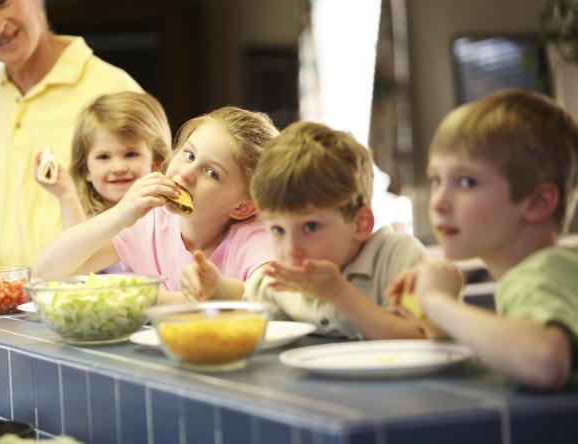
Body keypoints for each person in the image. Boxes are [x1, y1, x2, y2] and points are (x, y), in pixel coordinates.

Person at [387, 89, 578, 390]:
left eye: (466, 182)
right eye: (437, 179)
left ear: (537, 202)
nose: (438, 202)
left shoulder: (539, 273)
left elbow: (544, 362)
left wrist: (436, 302)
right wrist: (439, 324)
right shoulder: (553, 270)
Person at [0, 0, 142, 266]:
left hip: (92, 298)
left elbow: (153, 210)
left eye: (2, 3)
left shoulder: (113, 88)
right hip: (7, 301)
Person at [183, 121, 427, 339]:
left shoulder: (399, 257)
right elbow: (248, 294)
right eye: (278, 230)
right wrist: (216, 287)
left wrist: (340, 294)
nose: (291, 249)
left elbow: (421, 338)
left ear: (361, 223)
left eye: (310, 227)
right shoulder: (290, 276)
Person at [34, 106, 279, 303]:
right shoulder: (151, 223)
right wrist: (120, 214)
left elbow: (270, 299)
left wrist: (156, 299)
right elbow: (48, 271)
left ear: (243, 207)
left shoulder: (255, 236)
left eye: (212, 173)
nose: (186, 173)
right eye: (189, 155)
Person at [33, 91, 171, 273]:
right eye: (104, 157)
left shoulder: (162, 218)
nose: (118, 167)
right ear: (85, 169)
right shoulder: (93, 219)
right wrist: (66, 194)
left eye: (131, 154)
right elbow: (76, 264)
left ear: (156, 161)